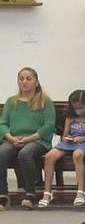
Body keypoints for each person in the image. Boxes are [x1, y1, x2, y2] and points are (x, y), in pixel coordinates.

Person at [0, 66, 56, 203]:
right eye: (21, 79)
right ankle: (2, 193)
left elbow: (48, 126)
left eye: (28, 79)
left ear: (36, 82)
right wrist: (10, 138)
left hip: (37, 141)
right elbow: (3, 124)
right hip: (14, 140)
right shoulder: (11, 101)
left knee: (25, 153)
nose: (24, 81)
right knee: (1, 152)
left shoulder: (45, 101)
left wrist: (28, 139)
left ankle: (30, 193)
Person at [41, 90, 85, 207]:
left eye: (81, 107)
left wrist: (83, 139)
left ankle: (81, 191)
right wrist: (68, 138)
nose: (78, 110)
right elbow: (64, 136)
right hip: (70, 142)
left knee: (77, 155)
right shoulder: (70, 118)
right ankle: (47, 192)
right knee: (49, 156)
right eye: (76, 108)